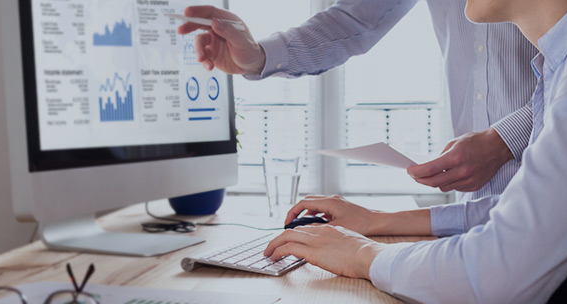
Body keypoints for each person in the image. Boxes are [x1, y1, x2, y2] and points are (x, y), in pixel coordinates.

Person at [262, 0, 567, 304]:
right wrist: (378, 220)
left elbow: (493, 277)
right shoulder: (555, 70)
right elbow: (518, 213)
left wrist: (362, 254)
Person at [177, 0, 538, 202]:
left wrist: (505, 140)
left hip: (552, 193)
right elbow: (354, 21)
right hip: (475, 206)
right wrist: (257, 55)